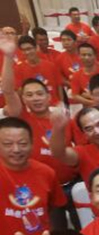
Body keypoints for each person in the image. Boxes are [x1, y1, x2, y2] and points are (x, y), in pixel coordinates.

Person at [0, 34, 78, 184]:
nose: (35, 98)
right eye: (29, 95)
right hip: (36, 184)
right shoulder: (22, 118)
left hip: (70, 182)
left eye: (39, 94)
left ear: (49, 97)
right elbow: (8, 91)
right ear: (23, 99)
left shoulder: (63, 120)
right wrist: (8, 57)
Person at [0, 117, 66, 235]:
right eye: (7, 144)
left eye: (22, 143)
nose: (16, 149)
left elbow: (56, 209)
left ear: (32, 143)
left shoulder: (46, 173)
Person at [13, 36, 62, 105]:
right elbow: (18, 92)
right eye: (23, 50)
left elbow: (59, 86)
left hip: (53, 105)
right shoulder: (18, 69)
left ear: (36, 48)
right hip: (32, 108)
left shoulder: (51, 66)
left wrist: (61, 103)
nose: (27, 52)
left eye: (29, 49)